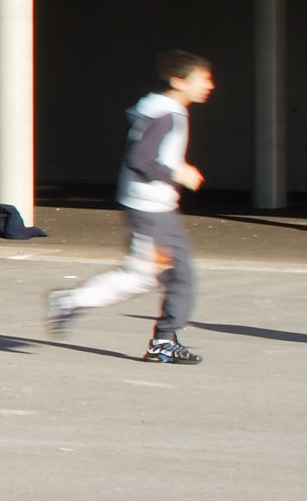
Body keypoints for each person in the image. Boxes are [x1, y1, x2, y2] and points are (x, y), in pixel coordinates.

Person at [50, 51, 215, 364]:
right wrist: (176, 173)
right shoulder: (166, 113)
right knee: (150, 275)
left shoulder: (162, 109)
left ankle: (164, 338)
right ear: (179, 81)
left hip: (154, 207)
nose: (210, 85)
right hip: (151, 209)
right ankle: (73, 303)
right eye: (203, 79)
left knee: (170, 274)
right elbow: (139, 159)